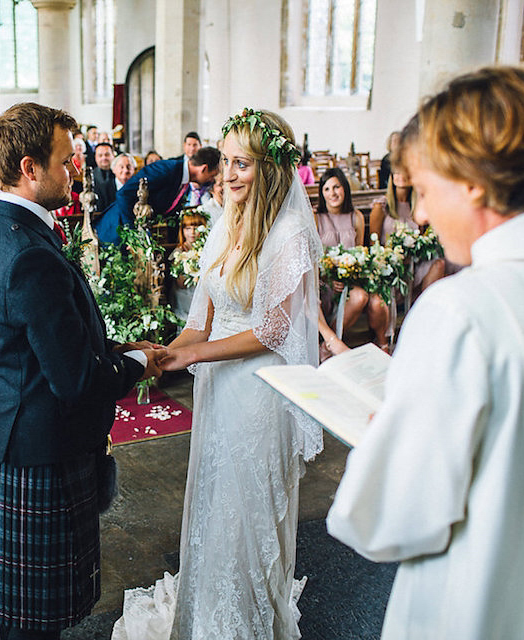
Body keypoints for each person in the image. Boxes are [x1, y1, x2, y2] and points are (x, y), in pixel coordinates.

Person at [327, 66, 524, 639]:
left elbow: (386, 519)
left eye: (423, 189)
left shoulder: (464, 312)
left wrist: (385, 439)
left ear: (471, 180)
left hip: (483, 608)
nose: (419, 214)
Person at [115, 108, 322, 639]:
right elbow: (201, 322)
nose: (227, 175)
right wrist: (159, 353)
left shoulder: (290, 232)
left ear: (271, 170)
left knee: (244, 511)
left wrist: (188, 359)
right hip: (218, 389)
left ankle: (245, 624)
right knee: (212, 501)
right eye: (225, 162)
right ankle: (206, 617)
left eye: (242, 164)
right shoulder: (224, 220)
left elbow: (272, 332)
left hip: (260, 392)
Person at [0, 102, 165, 640]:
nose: (75, 169)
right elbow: (75, 379)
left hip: (16, 432)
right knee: (35, 627)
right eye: (65, 160)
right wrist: (143, 362)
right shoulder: (29, 253)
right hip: (42, 452)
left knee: (24, 621)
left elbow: (48, 339)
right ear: (30, 168)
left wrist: (121, 347)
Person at [315, 167, 390, 356]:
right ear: (322, 193)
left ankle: (328, 343)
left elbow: (359, 252)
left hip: (351, 280)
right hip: (324, 282)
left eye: (337, 187)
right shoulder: (317, 218)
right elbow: (312, 258)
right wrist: (329, 279)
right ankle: (329, 339)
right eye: (327, 189)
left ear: (345, 189)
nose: (332, 193)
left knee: (362, 297)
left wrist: (352, 274)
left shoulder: (355, 216)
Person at [93, 146, 221, 245]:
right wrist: (134, 236)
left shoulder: (183, 179)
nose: (212, 180)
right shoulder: (166, 169)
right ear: (203, 169)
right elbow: (124, 194)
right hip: (115, 231)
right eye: (213, 175)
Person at [369, 166, 446, 301]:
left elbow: (422, 237)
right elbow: (373, 244)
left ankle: (425, 306)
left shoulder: (418, 206)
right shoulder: (381, 206)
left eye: (405, 171)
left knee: (439, 263)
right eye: (397, 172)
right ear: (391, 177)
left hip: (414, 263)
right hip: (389, 265)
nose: (401, 176)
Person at [167, 209, 208, 326]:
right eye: (188, 228)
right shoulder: (179, 252)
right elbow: (181, 284)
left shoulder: (205, 248)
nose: (192, 232)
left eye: (196, 228)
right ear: (182, 230)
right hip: (185, 290)